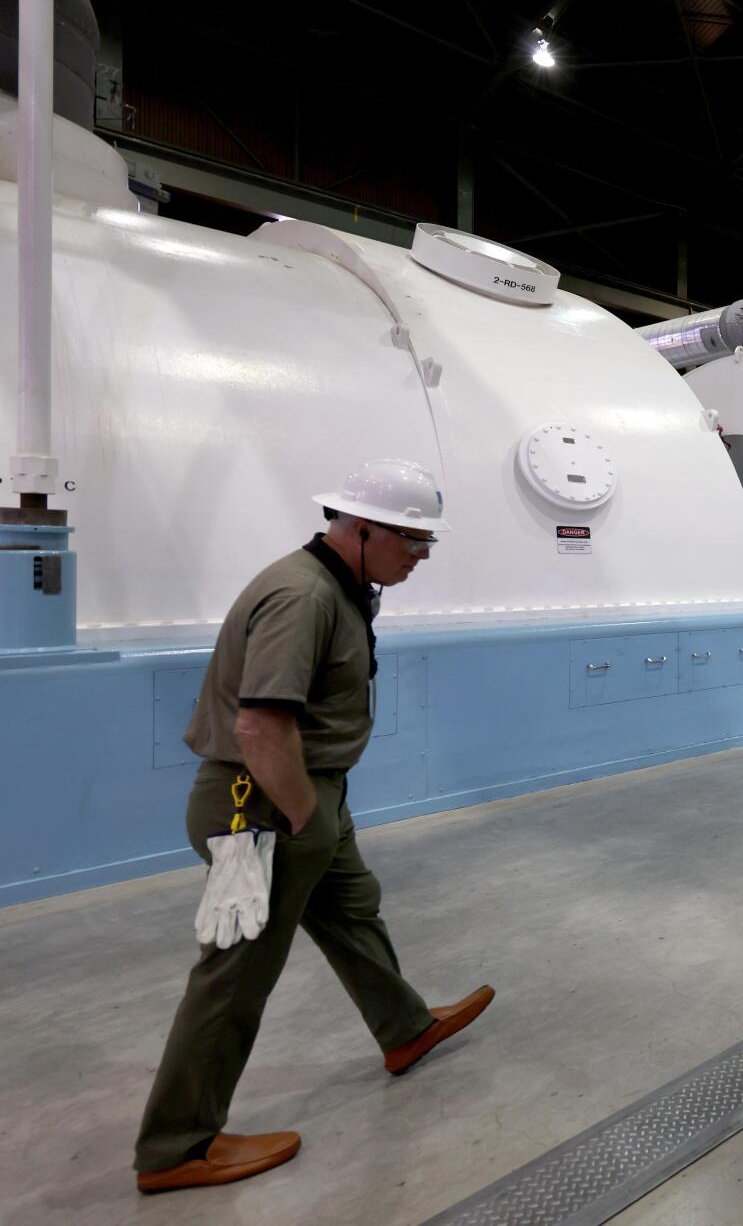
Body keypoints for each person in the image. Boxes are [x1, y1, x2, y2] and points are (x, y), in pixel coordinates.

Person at [133, 459, 495, 1193]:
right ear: (360, 529)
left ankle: (406, 1028)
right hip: (264, 802)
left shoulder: (343, 585)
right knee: (236, 976)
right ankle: (176, 1146)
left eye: (427, 542)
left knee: (353, 912)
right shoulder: (302, 597)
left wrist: (318, 812)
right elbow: (262, 725)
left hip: (304, 796)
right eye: (411, 540)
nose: (420, 556)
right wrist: (303, 818)